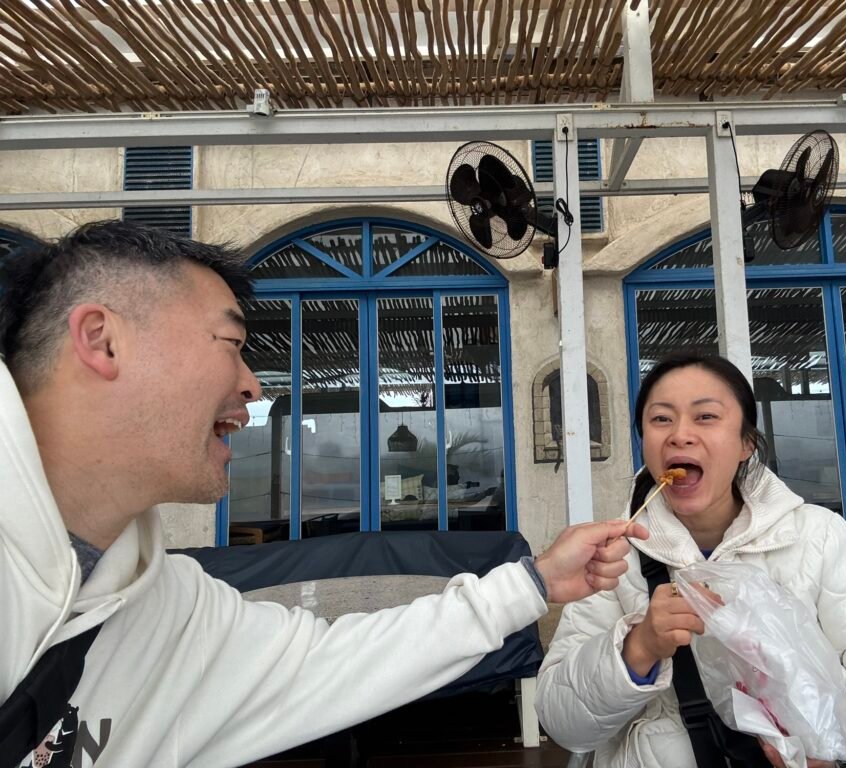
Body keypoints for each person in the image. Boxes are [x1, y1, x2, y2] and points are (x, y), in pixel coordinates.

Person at [0, 221, 648, 768]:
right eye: (232, 344)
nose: (254, 386)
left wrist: (534, 583)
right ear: (102, 340)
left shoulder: (169, 607)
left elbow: (338, 660)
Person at [536, 353, 846, 768]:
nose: (680, 434)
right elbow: (564, 726)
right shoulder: (612, 559)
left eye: (706, 416)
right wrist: (639, 647)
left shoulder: (818, 539)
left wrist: (839, 740)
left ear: (746, 443)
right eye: (661, 419)